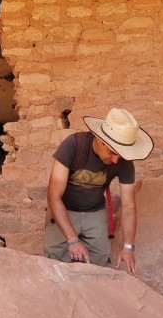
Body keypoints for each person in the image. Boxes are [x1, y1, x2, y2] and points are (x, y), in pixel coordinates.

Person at [44, 108, 153, 277]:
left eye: (120, 155)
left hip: (94, 211)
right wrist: (73, 240)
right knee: (56, 263)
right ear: (99, 139)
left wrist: (128, 246)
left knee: (101, 263)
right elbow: (53, 196)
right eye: (112, 152)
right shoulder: (73, 145)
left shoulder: (123, 161)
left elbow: (129, 206)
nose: (116, 160)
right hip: (64, 209)